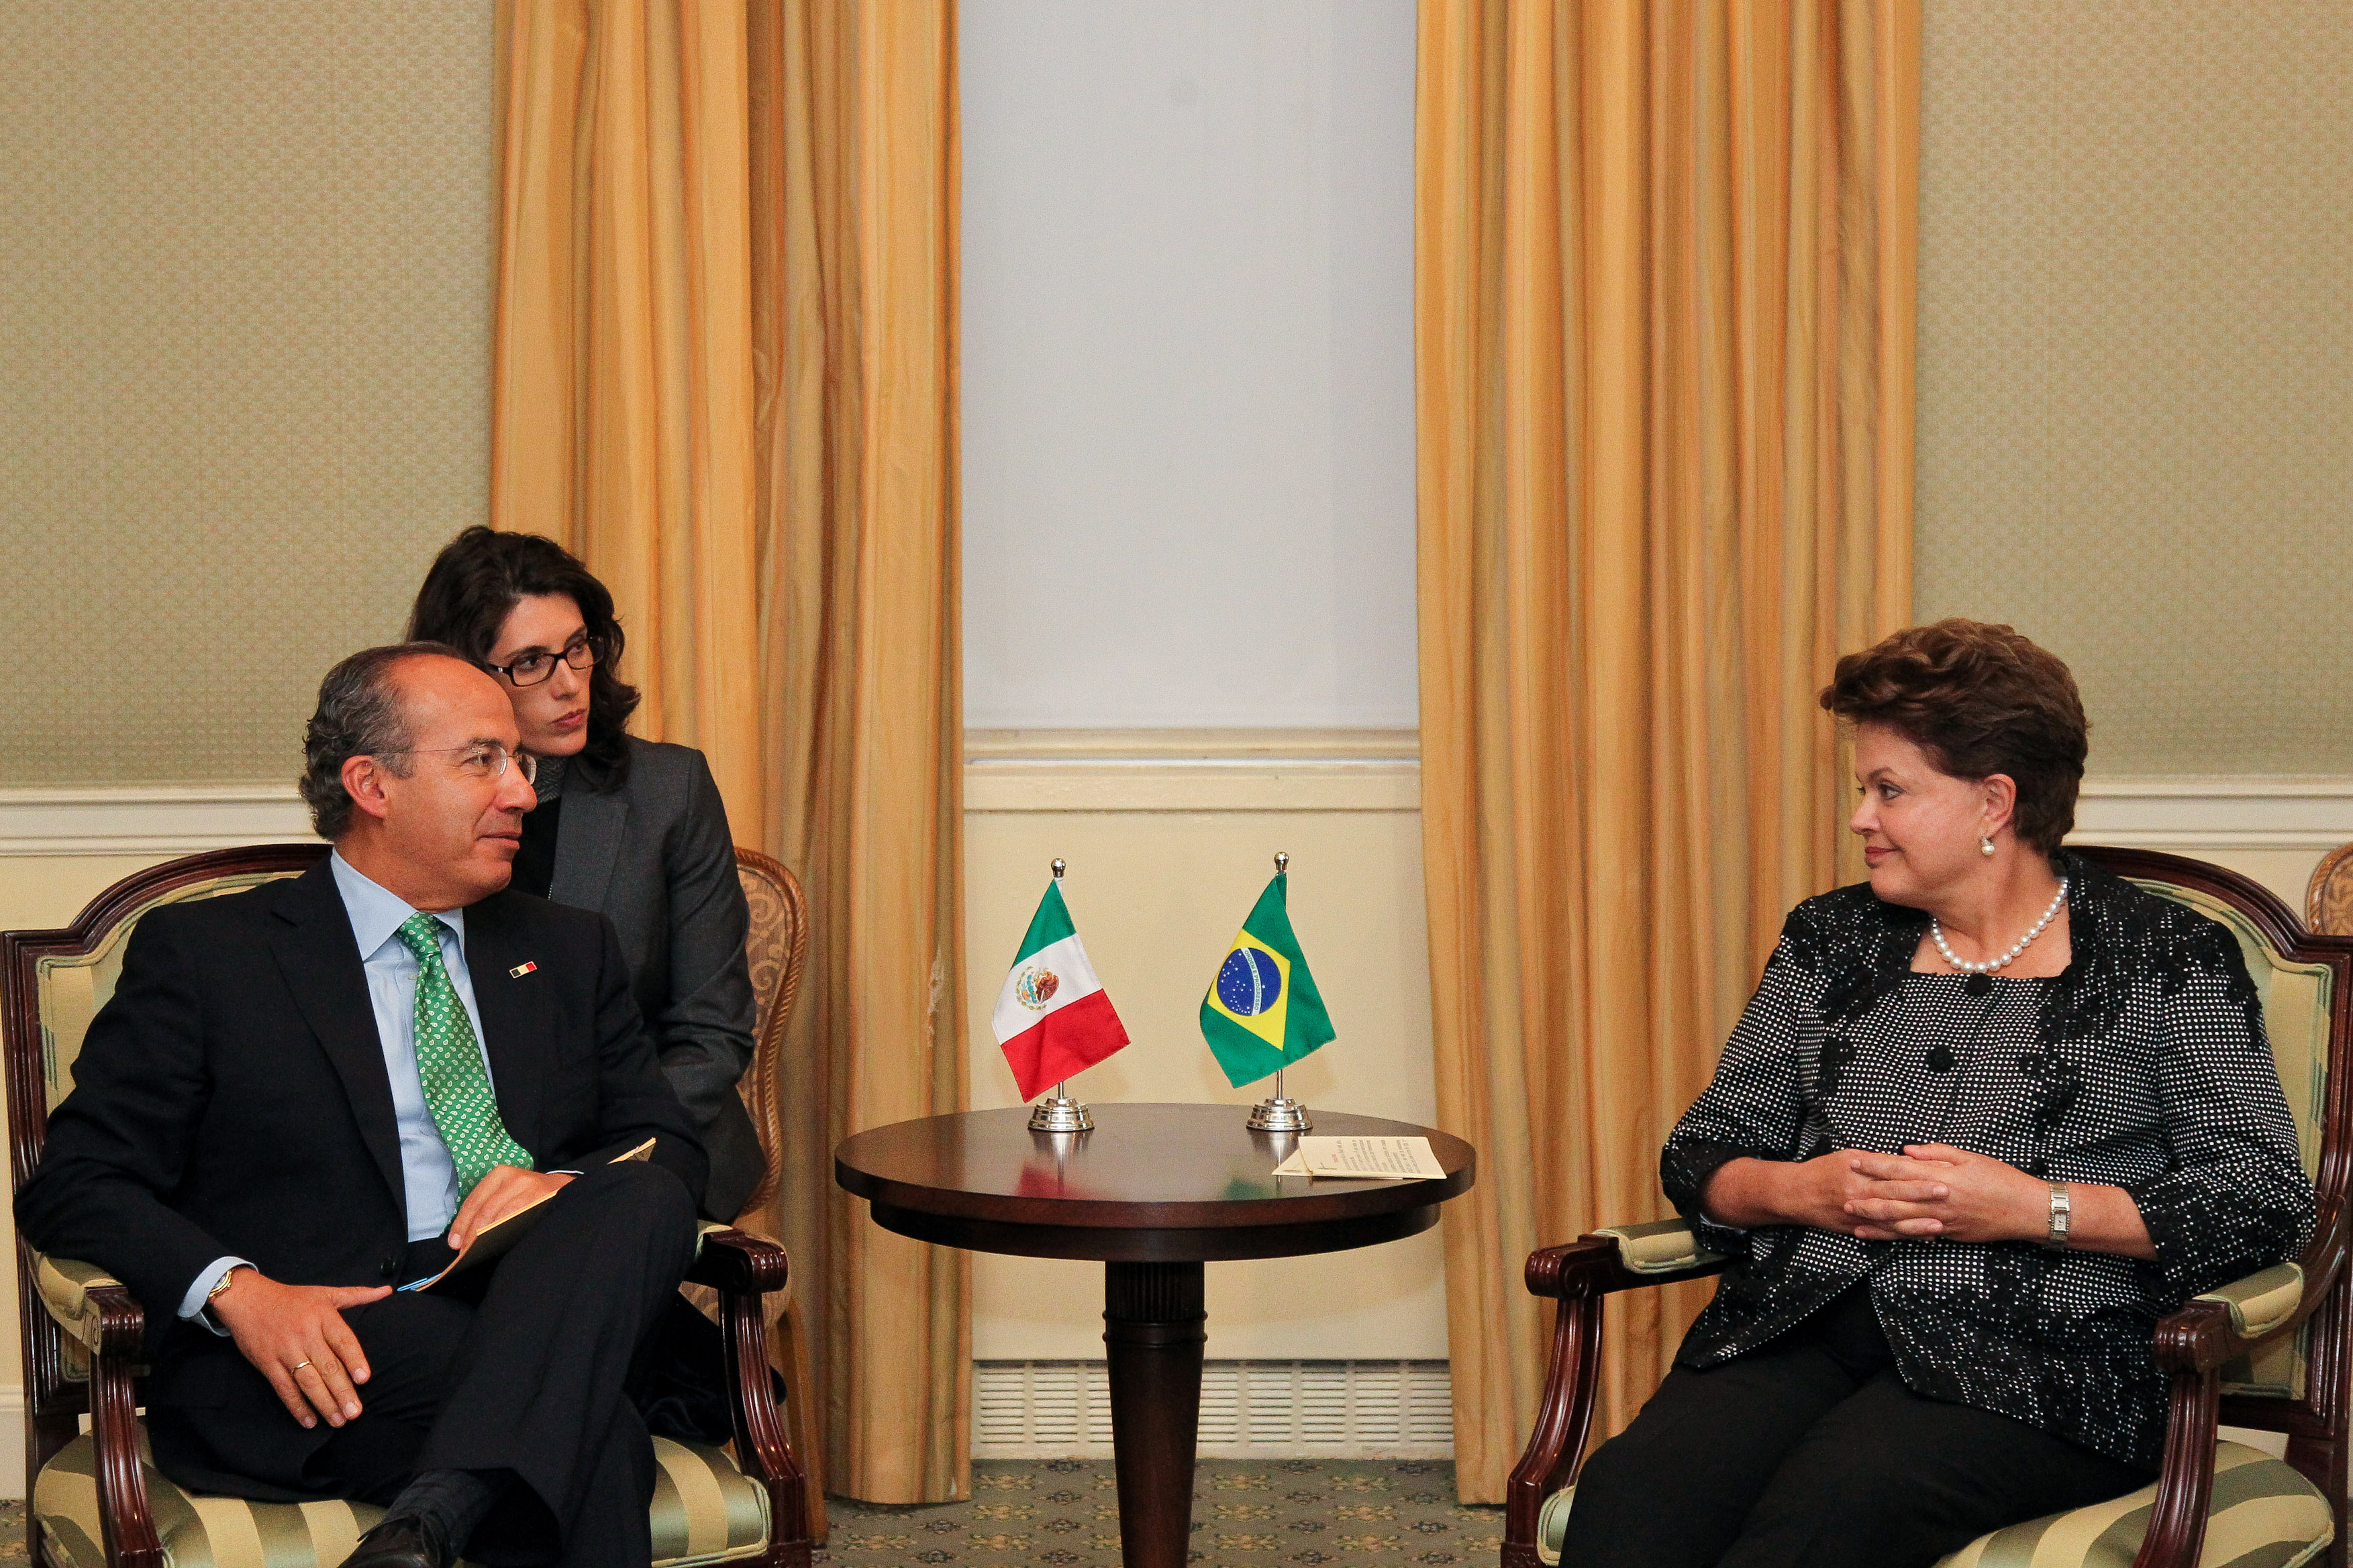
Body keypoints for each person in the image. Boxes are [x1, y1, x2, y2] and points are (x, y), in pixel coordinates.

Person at [1560, 619, 2315, 1568]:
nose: (1859, 818)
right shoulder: (1829, 939)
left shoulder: (2164, 958)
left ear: (1993, 801)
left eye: (1888, 790)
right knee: (1636, 1499)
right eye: (1861, 788)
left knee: (1830, 1514)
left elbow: (2256, 1194)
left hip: (2044, 1359)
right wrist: (1806, 1190)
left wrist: (2029, 1208)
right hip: (1804, 1324)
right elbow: (1704, 1147)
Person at [15, 645, 710, 1568]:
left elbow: (670, 1146)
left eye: (520, 762)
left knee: (647, 1192)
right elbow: (75, 1182)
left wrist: (551, 1185)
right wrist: (235, 1290)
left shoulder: (566, 948)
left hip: (534, 1308)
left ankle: (428, 1518)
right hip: (326, 1350)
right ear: (370, 784)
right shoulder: (211, 954)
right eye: (482, 760)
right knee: (594, 1441)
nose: (521, 793)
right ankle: (444, 1508)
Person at [407, 527, 763, 1223]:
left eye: (577, 647)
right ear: (465, 674)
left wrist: (577, 1170)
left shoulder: (668, 790)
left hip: (638, 1148)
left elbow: (711, 1032)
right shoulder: (417, 801)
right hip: (456, 1160)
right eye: (531, 663)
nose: (569, 682)